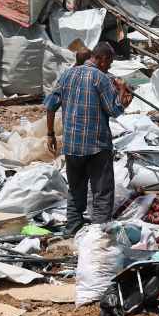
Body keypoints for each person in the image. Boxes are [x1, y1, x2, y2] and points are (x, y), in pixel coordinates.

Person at [45, 42, 133, 235]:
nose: (109, 67)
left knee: (76, 190)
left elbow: (50, 105)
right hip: (96, 146)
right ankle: (99, 233)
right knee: (102, 191)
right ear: (102, 59)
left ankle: (72, 229)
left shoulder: (67, 75)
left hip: (72, 145)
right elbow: (114, 110)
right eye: (109, 62)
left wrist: (50, 134)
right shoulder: (100, 79)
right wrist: (122, 91)